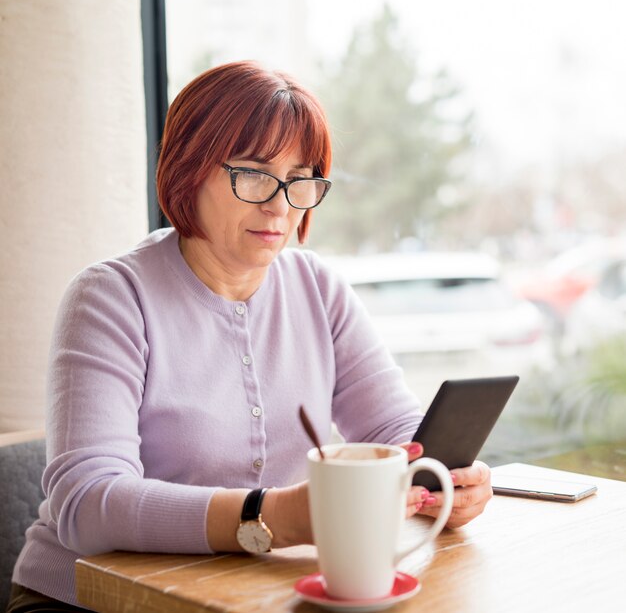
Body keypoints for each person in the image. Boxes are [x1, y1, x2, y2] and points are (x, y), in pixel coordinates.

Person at [7, 61, 492, 612]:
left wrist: (446, 481)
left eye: (301, 178)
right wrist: (272, 516)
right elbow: (87, 506)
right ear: (189, 169)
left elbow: (399, 433)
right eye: (256, 174)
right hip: (87, 600)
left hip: (242, 592)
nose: (280, 205)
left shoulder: (319, 288)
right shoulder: (111, 297)